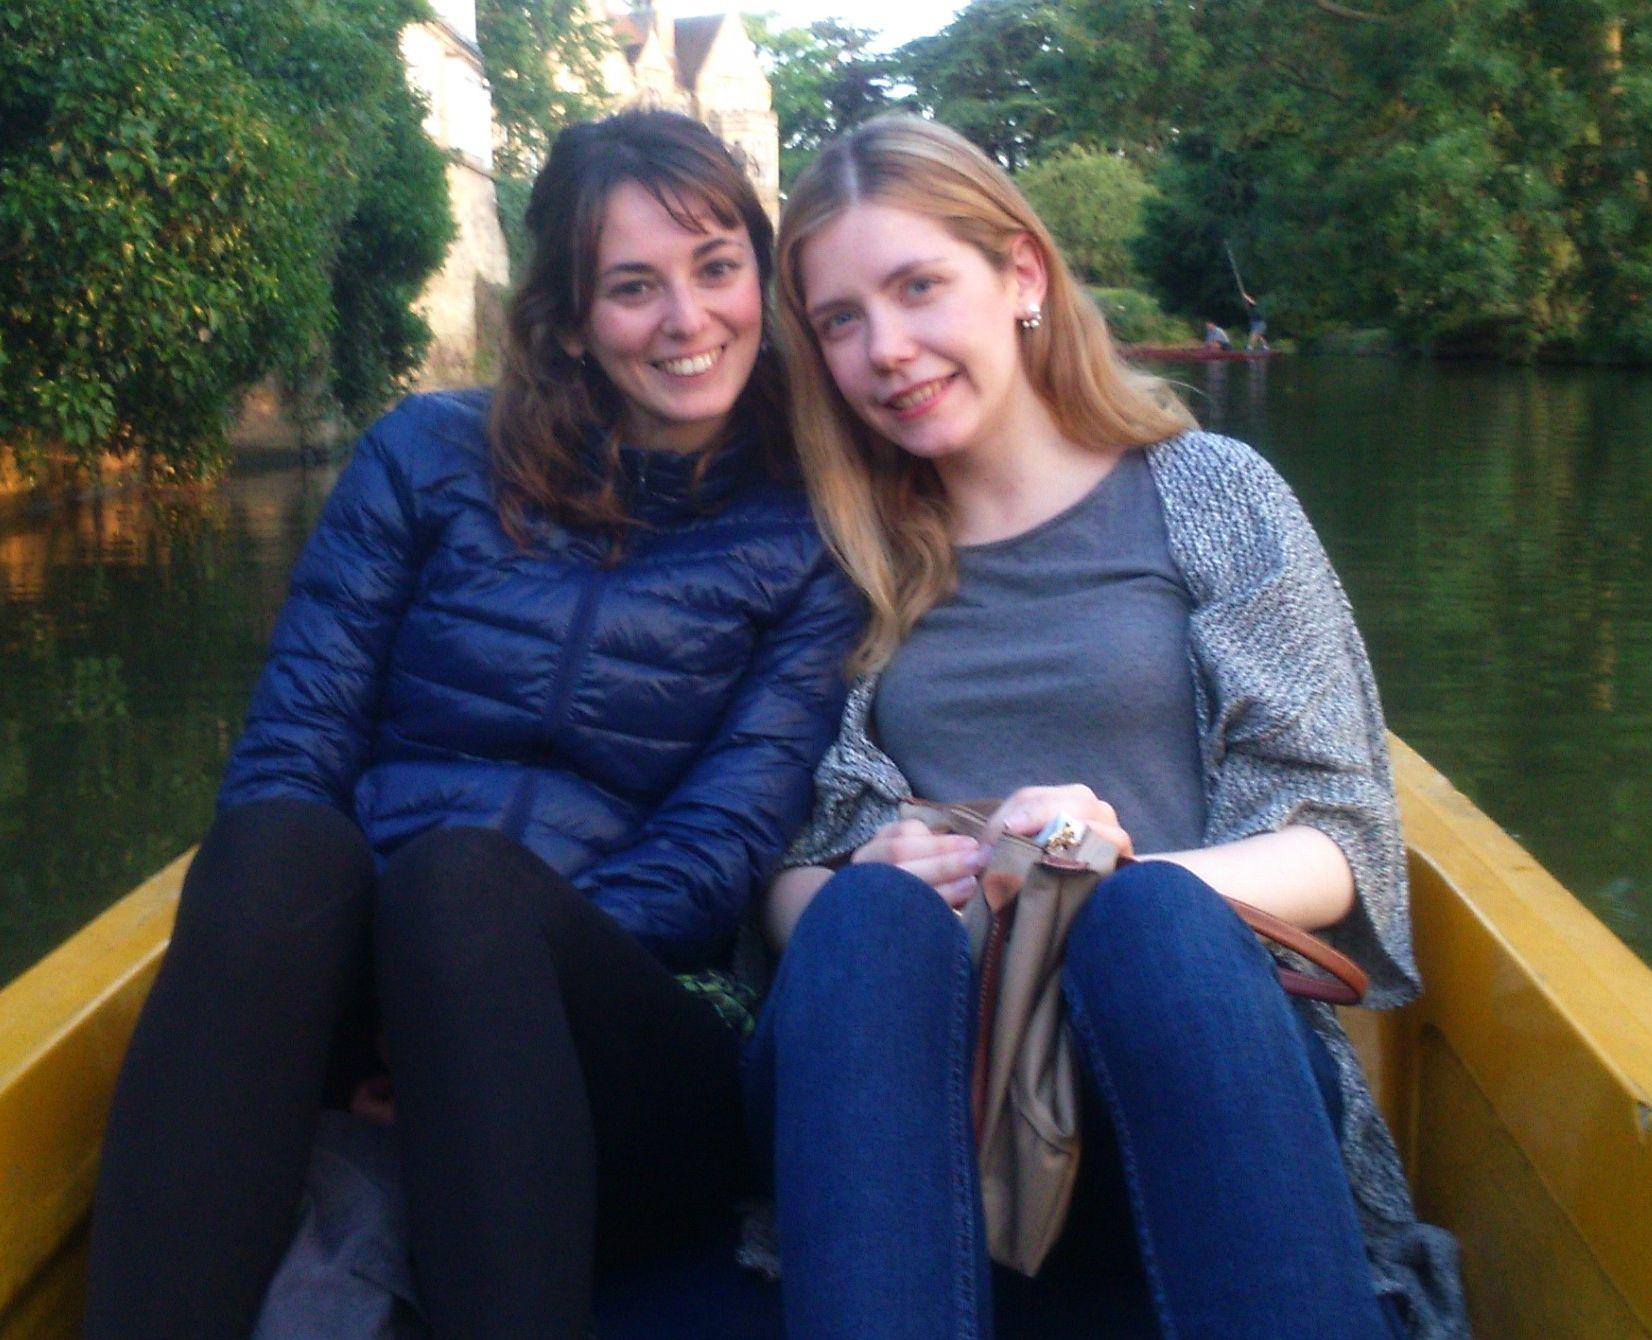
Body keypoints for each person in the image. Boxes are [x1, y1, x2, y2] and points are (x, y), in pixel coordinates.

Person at [85, 109, 858, 1338]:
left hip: (625, 1031)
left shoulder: (808, 528)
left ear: (762, 277)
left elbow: (722, 841)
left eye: (717, 269)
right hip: (384, 971)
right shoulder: (424, 455)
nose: (686, 320)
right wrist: (383, 995)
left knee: (463, 893)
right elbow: (296, 745)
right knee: (274, 844)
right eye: (632, 286)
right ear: (565, 318)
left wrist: (452, 995)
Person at [744, 116, 1467, 1339]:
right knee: (863, 921)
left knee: (1152, 925)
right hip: (932, 1109)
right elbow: (781, 881)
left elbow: (1341, 840)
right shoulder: (837, 557)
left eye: (920, 287)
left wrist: (1106, 871)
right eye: (842, 319)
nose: (888, 349)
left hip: (1186, 1070)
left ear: (1021, 274)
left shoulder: (1211, 493)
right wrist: (859, 877)